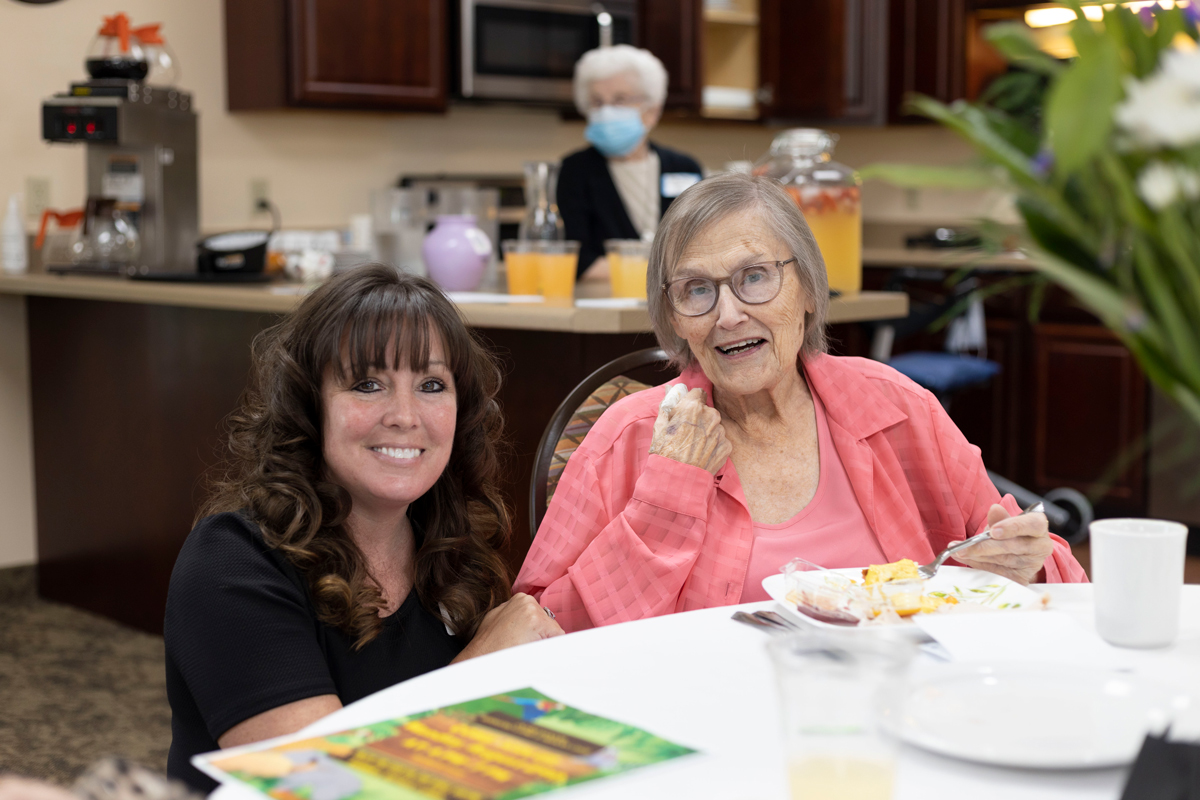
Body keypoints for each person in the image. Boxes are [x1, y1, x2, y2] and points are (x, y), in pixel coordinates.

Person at [515, 173, 1087, 632]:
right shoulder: (631, 436)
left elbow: (1050, 578)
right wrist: (665, 498)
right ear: (672, 319)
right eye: (696, 290)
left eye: (755, 277)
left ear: (810, 289)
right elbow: (537, 632)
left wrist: (1024, 563)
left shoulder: (893, 408)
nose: (728, 314)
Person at [165, 265, 562, 792]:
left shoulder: (452, 550)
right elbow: (322, 786)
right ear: (310, 407)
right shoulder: (232, 563)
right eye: (368, 384)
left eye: (431, 385)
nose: (404, 415)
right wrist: (478, 671)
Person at [558, 45, 704, 282]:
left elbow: (704, 246)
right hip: (607, 305)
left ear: (651, 111)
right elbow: (577, 260)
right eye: (597, 102)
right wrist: (664, 273)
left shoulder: (684, 168)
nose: (606, 112)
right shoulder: (575, 171)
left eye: (620, 100)